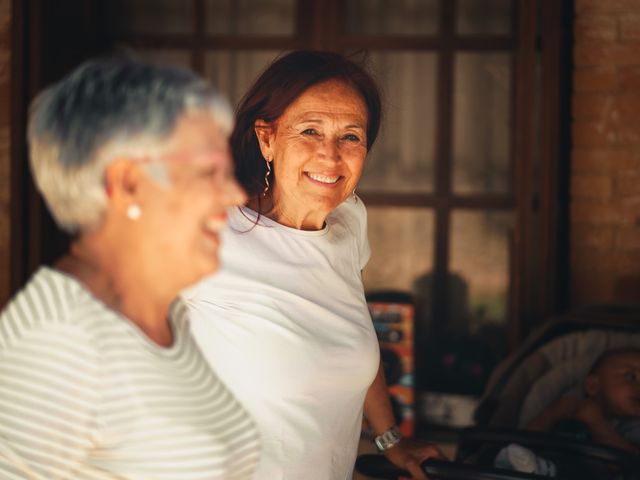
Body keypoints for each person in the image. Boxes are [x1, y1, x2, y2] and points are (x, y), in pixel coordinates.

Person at [184, 50, 444, 480]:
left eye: (351, 137)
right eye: (310, 131)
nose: (330, 155)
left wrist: (390, 440)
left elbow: (352, 335)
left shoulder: (349, 221)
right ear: (267, 139)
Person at [0, 59, 260, 479]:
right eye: (209, 172)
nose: (234, 194)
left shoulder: (165, 316)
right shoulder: (60, 338)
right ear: (127, 184)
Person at [527, 347, 640, 454]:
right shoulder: (571, 407)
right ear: (593, 385)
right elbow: (525, 442)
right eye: (631, 377)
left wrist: (596, 423)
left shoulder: (635, 426)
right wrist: (552, 413)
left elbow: (627, 465)